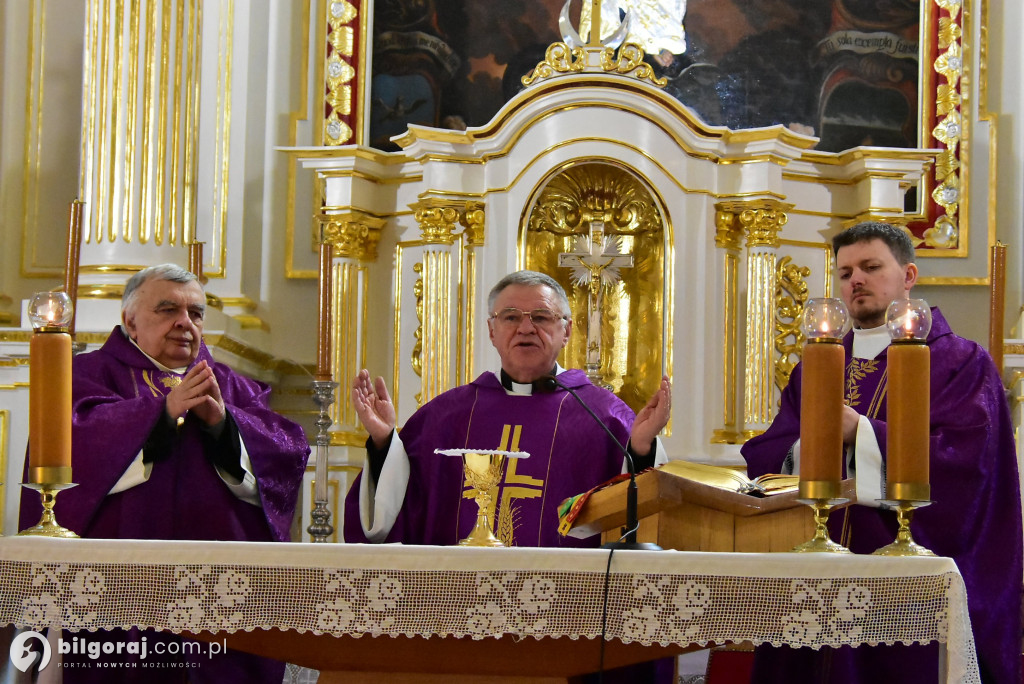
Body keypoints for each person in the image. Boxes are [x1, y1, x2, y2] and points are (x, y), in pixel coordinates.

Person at [742, 222, 1022, 684]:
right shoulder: (815, 364)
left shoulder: (960, 362)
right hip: (812, 576)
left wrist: (862, 432)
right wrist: (808, 448)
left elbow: (969, 465)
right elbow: (770, 451)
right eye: (845, 271)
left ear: (909, 275)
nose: (856, 280)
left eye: (871, 267)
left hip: (904, 586)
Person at [20, 263, 310, 683]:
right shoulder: (86, 375)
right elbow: (73, 446)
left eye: (195, 313)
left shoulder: (232, 386)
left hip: (220, 593)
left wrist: (224, 425)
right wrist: (160, 412)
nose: (185, 323)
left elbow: (285, 449)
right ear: (130, 321)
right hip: (121, 589)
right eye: (167, 309)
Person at [344, 269, 671, 549]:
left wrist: (640, 449)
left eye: (541, 317)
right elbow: (396, 511)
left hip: (567, 603)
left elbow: (642, 518)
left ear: (566, 332)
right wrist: (386, 443)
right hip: (459, 601)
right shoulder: (445, 416)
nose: (526, 328)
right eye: (511, 317)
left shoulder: (604, 416)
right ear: (491, 330)